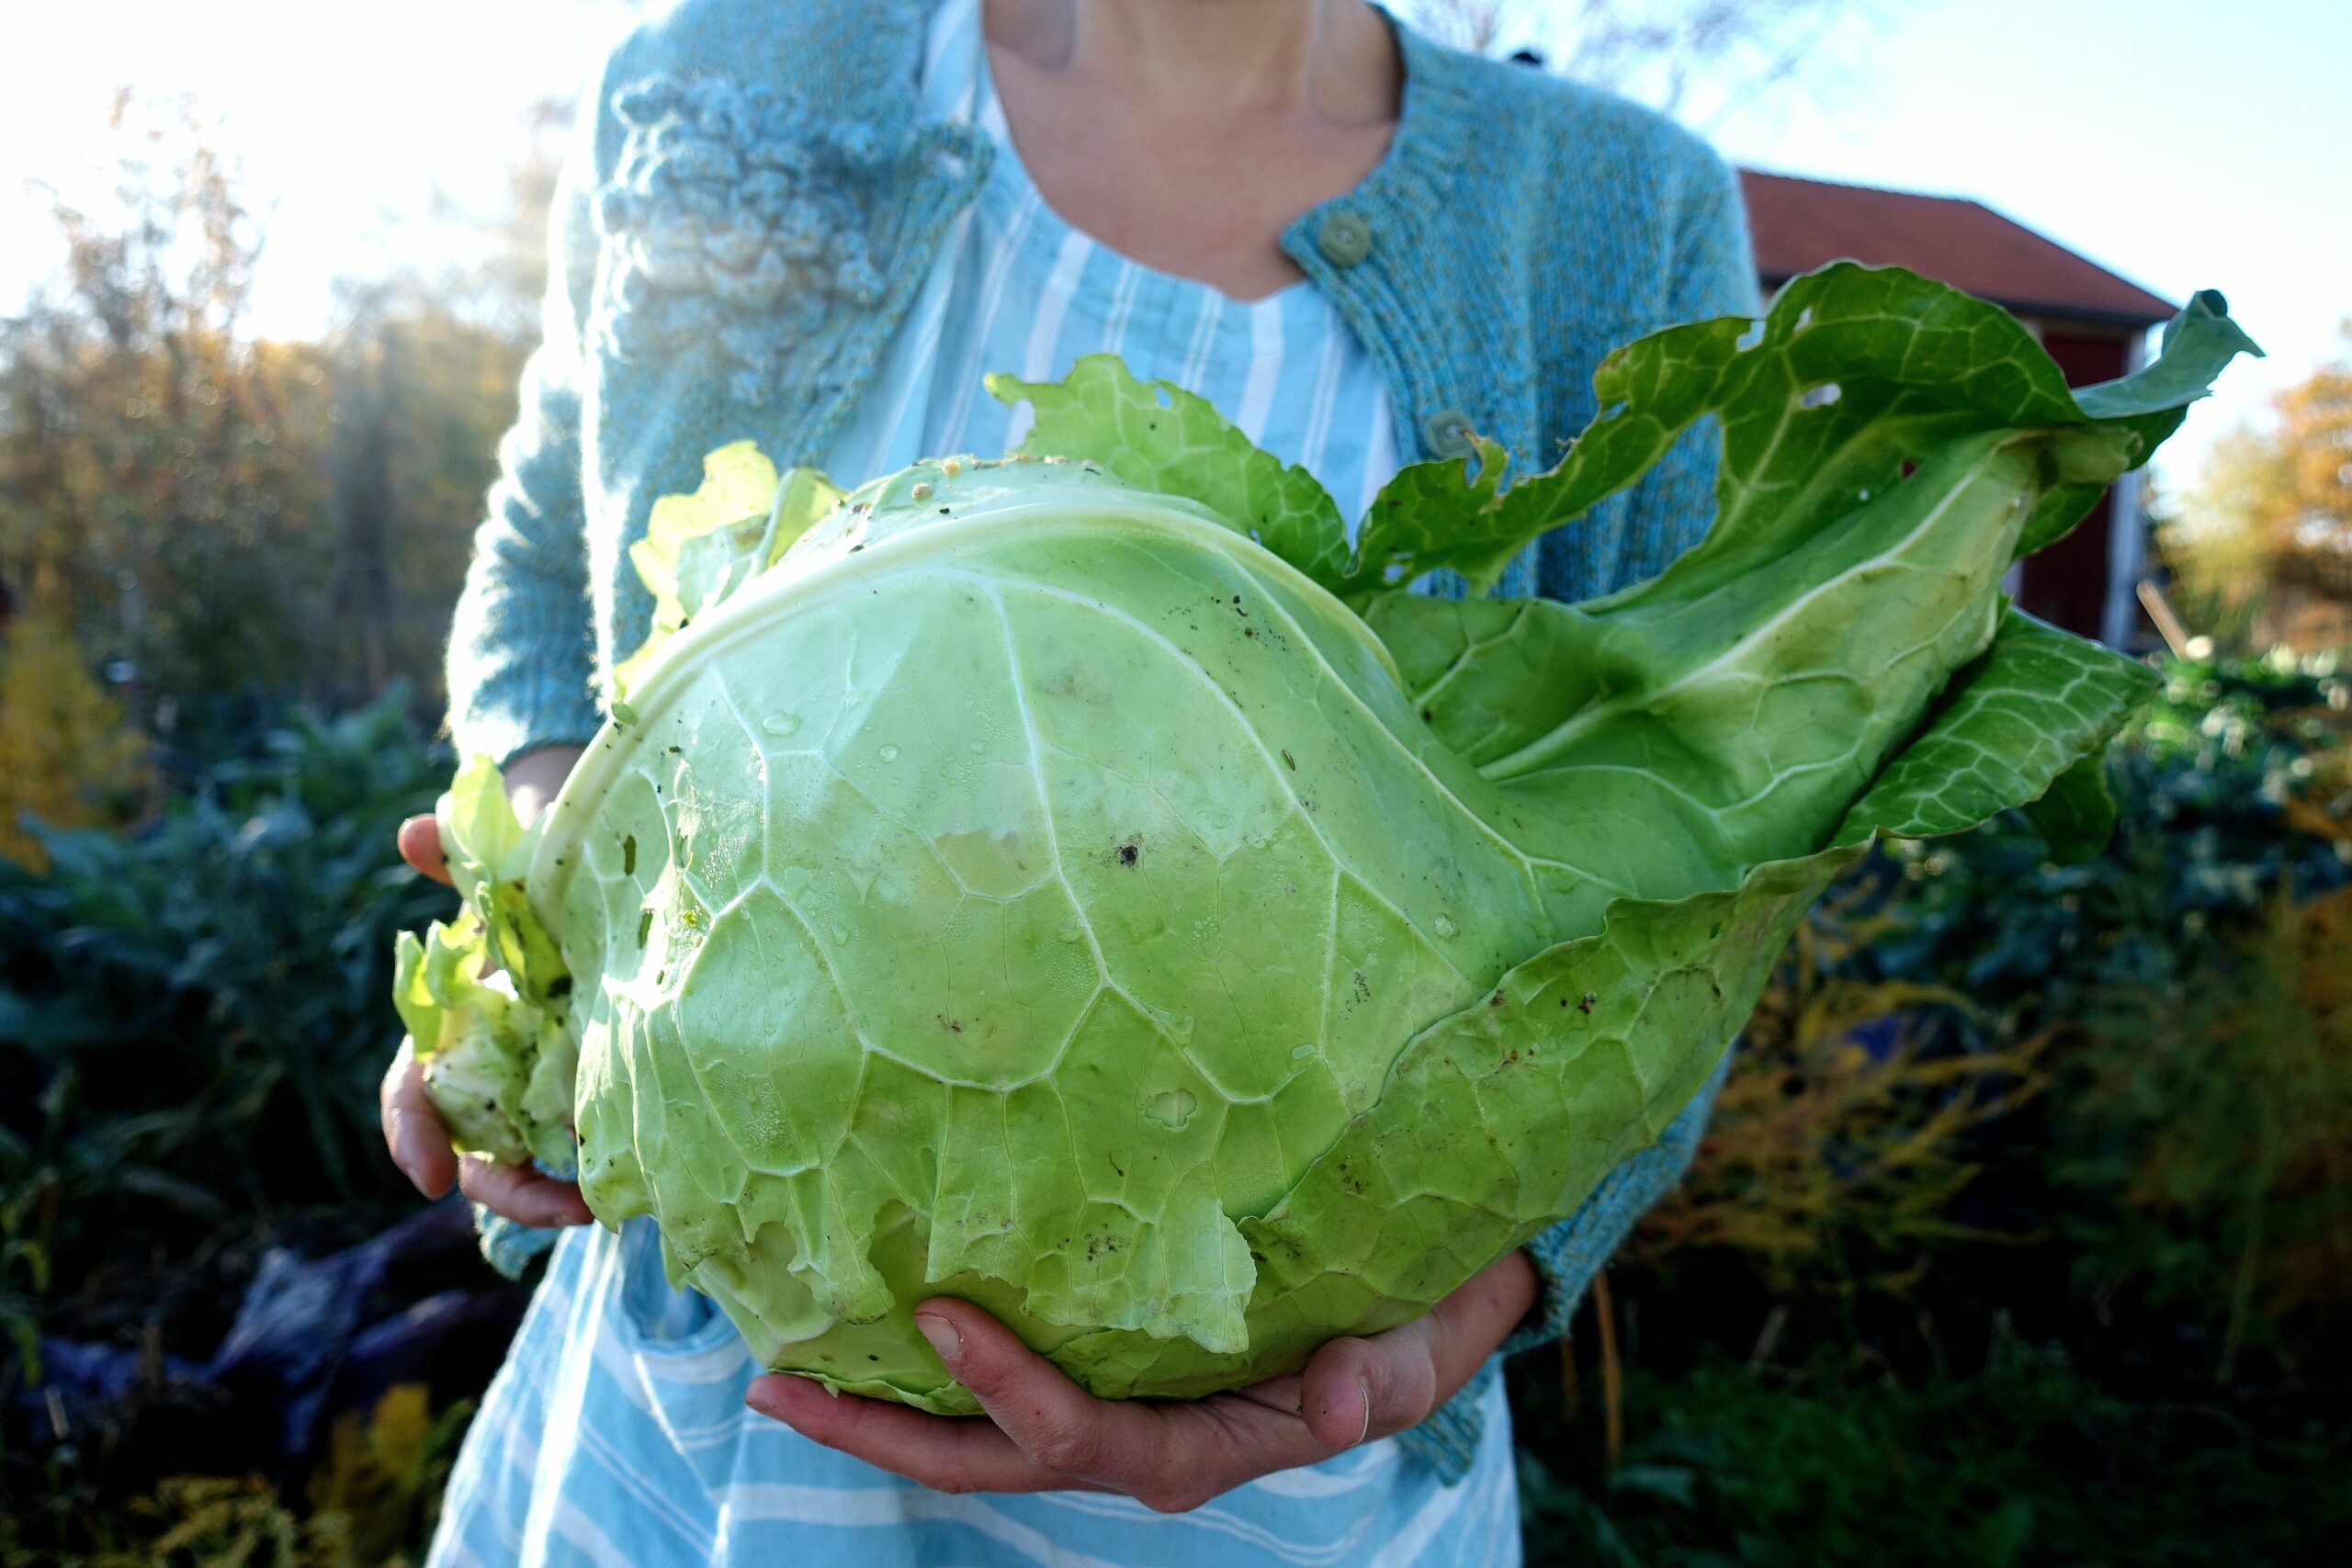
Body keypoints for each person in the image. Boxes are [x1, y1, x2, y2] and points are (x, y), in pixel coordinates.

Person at [382, 1, 1755, 1561]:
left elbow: (1713, 835)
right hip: (692, 1448)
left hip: (1273, 1493)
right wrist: (545, 907)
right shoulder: (730, 76)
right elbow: (552, 570)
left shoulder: (1615, 220)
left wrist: (1461, 1315)